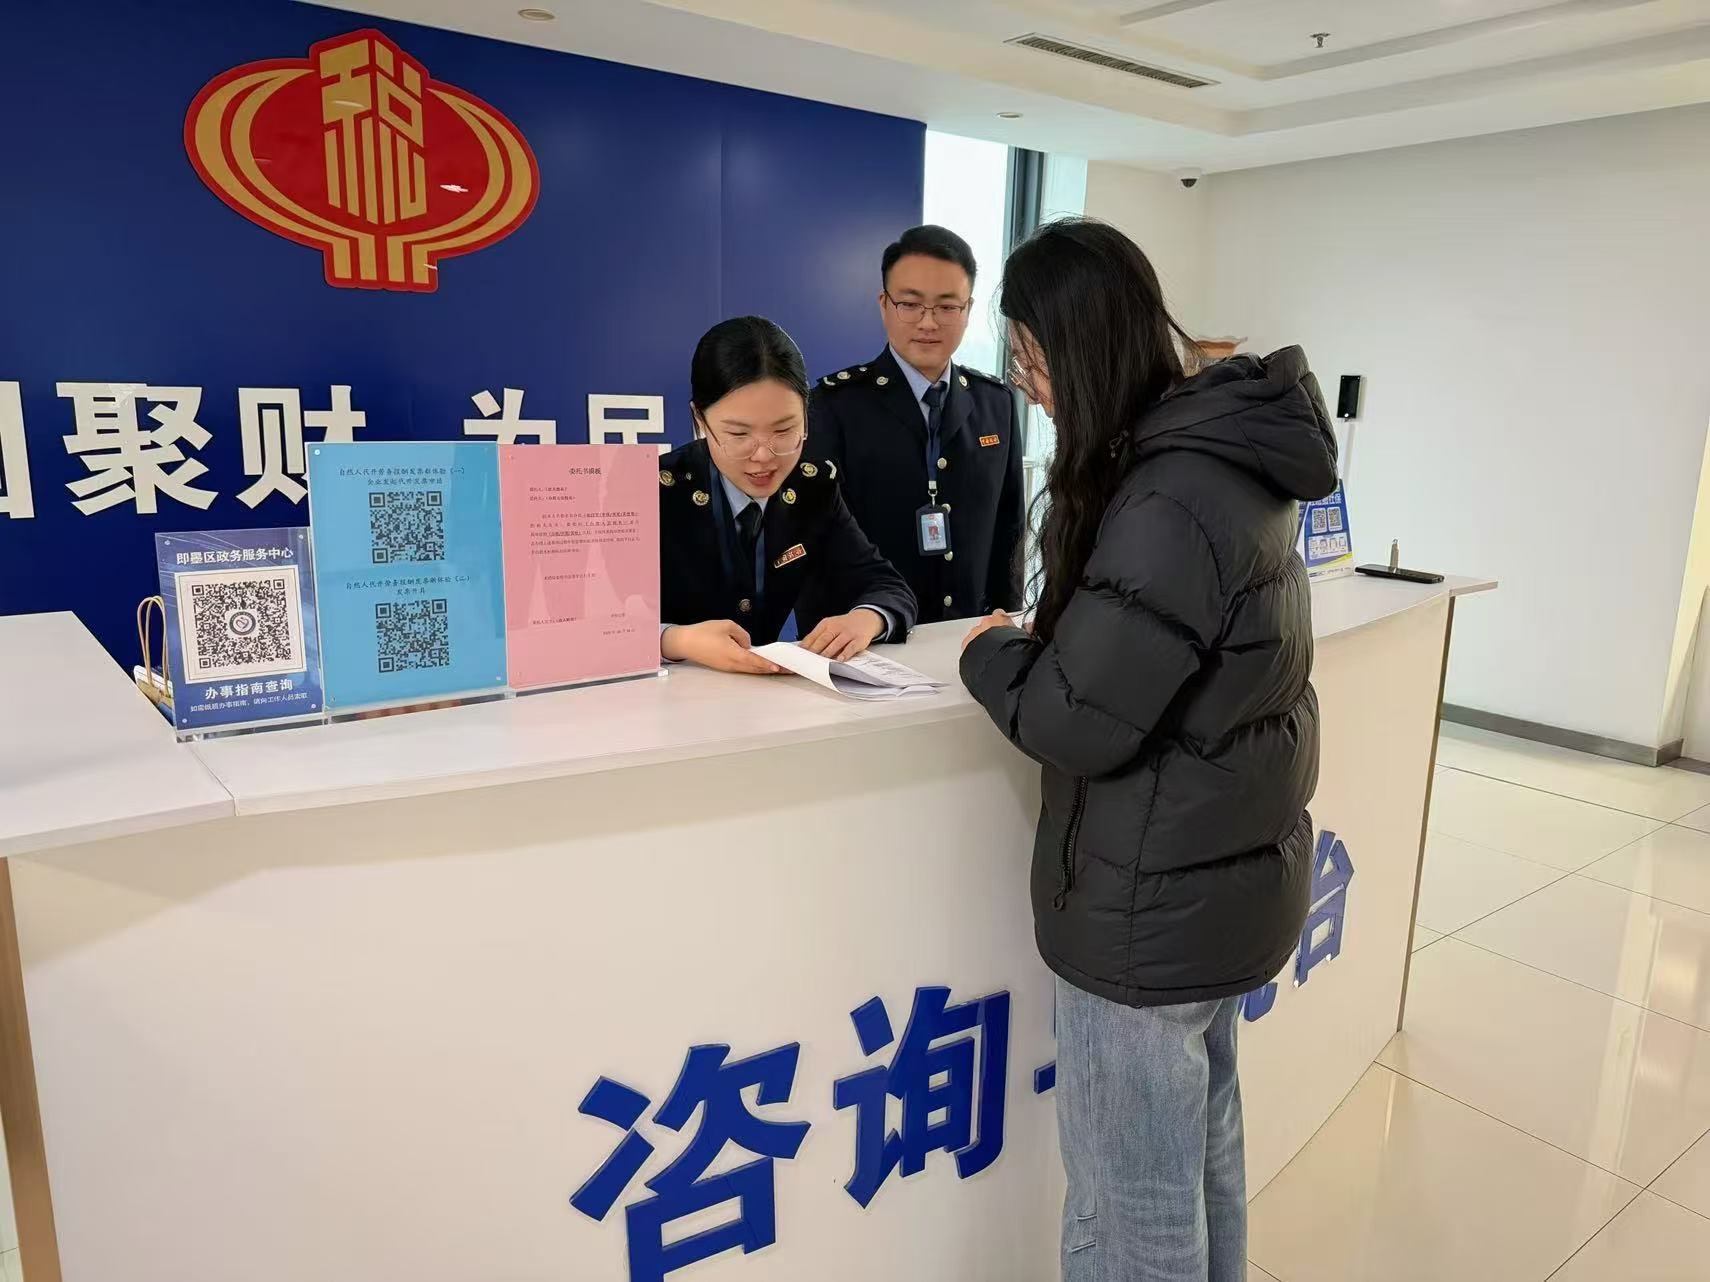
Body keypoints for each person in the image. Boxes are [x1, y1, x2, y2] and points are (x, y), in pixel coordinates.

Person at [959, 220, 1337, 1282]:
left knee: (1130, 1210)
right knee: (1203, 1162)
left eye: (1032, 360)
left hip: (1146, 912)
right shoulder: (1224, 456)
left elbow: (1076, 717)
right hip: (1209, 895)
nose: (1030, 388)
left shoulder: (1169, 493)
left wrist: (991, 653)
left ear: (1079, 349)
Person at [659, 316, 917, 674]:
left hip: (769, 697)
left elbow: (886, 584)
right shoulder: (655, 492)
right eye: (738, 435)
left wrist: (866, 618)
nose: (764, 456)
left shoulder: (811, 487)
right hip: (664, 695)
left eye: (784, 431)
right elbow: (590, 628)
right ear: (699, 420)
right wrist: (676, 641)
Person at [809, 225, 1024, 625]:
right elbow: (816, 537)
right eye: (910, 304)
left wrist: (1007, 623)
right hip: (870, 640)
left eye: (947, 307)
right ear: (884, 305)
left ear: (968, 310)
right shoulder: (834, 405)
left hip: (970, 634)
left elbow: (1009, 531)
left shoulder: (996, 402)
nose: (928, 323)